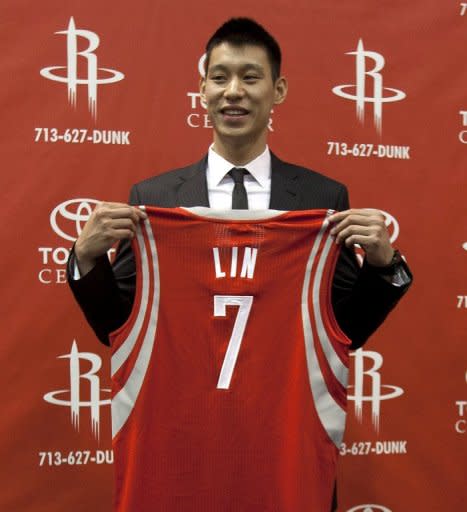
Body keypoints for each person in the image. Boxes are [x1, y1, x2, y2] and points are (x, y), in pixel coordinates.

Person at [67, 17, 412, 512]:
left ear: (278, 90)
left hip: (281, 443)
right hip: (185, 440)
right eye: (220, 76)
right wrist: (85, 260)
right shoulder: (155, 198)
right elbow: (115, 325)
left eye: (251, 77)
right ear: (202, 89)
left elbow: (344, 330)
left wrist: (384, 266)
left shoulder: (321, 198)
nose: (234, 92)